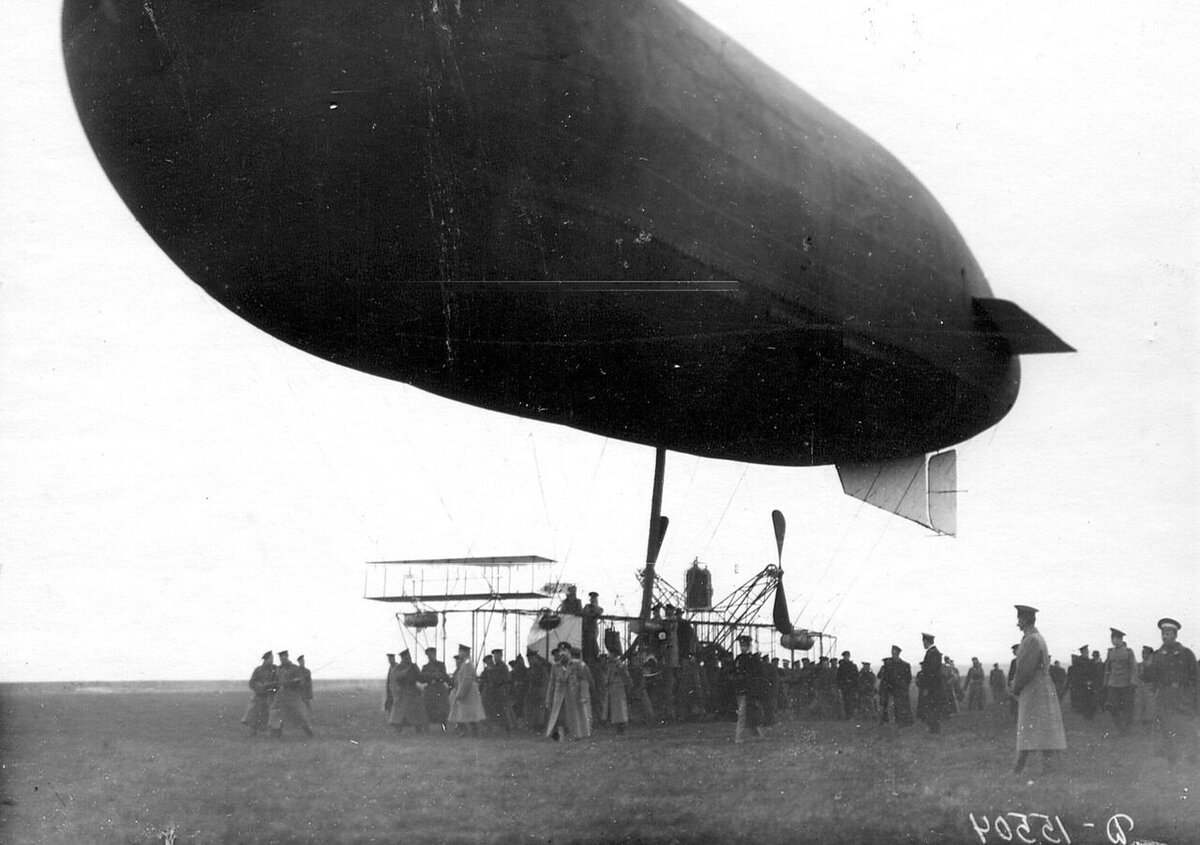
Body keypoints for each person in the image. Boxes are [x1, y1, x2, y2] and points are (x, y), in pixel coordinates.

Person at [1010, 605, 1066, 775]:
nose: (1017, 623)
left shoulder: (1031, 640)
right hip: (1041, 687)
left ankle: (1017, 769)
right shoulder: (1038, 637)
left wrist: (1015, 688)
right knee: (1043, 729)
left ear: (1024, 620)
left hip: (1034, 689)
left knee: (1028, 728)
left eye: (1019, 619)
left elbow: (1025, 670)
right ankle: (1046, 768)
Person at [1142, 617, 1198, 765]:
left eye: (1169, 633)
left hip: (1182, 695)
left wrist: (1196, 699)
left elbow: (1196, 678)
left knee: (1186, 725)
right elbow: (1149, 678)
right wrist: (1147, 666)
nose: (1165, 636)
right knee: (1166, 727)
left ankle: (1191, 755)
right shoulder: (1157, 655)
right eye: (1163, 633)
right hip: (1165, 697)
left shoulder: (1186, 654)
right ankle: (1171, 757)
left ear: (1175, 635)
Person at [268, 650, 313, 738]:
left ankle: (309, 732)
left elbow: (302, 682)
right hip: (280, 694)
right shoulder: (278, 669)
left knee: (299, 713)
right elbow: (274, 681)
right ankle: (276, 734)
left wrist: (295, 682)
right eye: (280, 658)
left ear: (287, 657)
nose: (282, 660)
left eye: (284, 658)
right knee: (276, 713)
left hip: (292, 695)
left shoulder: (295, 668)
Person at [545, 644, 586, 740]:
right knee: (559, 718)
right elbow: (551, 684)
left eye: (565, 651)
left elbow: (582, 681)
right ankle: (561, 737)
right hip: (558, 696)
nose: (562, 653)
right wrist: (548, 699)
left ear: (569, 653)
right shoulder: (555, 667)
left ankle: (575, 735)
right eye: (561, 651)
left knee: (572, 716)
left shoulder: (576, 665)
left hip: (572, 695)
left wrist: (583, 695)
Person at [1103, 628, 1137, 735]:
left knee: (1128, 708)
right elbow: (1108, 669)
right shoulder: (1110, 652)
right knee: (1113, 707)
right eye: (1112, 638)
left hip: (1126, 684)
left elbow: (1134, 668)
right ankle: (1120, 727)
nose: (1113, 640)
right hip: (1113, 684)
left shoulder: (1128, 652)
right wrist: (1106, 682)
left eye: (1116, 638)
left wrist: (1133, 681)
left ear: (1120, 639)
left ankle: (1127, 729)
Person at [732, 634, 765, 742]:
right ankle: (756, 733)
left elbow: (755, 675)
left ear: (749, 646)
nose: (743, 647)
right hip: (740, 690)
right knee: (745, 713)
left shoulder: (752, 659)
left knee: (747, 713)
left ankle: (739, 736)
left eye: (745, 645)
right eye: (741, 645)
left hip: (749, 690)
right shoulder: (738, 659)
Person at [448, 644, 486, 735]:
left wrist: (461, 693)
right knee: (467, 713)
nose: (460, 654)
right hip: (468, 691)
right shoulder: (466, 664)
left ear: (465, 653)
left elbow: (466, 680)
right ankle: (470, 731)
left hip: (468, 692)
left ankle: (474, 732)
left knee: (470, 713)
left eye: (461, 652)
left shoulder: (467, 664)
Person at [388, 649, 425, 734]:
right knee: (399, 714)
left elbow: (420, 678)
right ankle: (398, 729)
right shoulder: (398, 667)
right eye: (407, 657)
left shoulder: (414, 666)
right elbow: (397, 676)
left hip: (413, 691)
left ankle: (418, 729)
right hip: (403, 692)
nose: (409, 658)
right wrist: (407, 670)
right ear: (403, 658)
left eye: (410, 656)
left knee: (416, 712)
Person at [916, 633, 947, 734]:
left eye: (923, 642)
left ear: (926, 641)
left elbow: (931, 673)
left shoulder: (932, 653)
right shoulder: (933, 652)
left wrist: (926, 687)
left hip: (932, 687)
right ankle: (933, 728)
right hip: (934, 686)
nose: (923, 644)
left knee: (932, 707)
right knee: (932, 707)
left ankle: (934, 729)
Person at [241, 650, 276, 736]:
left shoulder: (275, 669)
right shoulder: (258, 670)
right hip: (259, 696)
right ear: (266, 660)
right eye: (271, 658)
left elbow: (278, 680)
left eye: (272, 658)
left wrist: (272, 686)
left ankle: (270, 732)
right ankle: (252, 731)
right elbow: (252, 682)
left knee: (270, 715)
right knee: (254, 713)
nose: (272, 660)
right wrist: (260, 686)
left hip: (271, 696)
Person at [600, 649, 633, 733]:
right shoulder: (610, 664)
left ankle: (621, 726)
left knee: (620, 709)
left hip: (618, 689)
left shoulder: (619, 665)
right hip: (612, 688)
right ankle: (614, 725)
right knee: (613, 709)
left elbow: (626, 677)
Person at [420, 647, 451, 731]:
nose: (431, 656)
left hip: (439, 689)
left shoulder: (440, 665)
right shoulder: (425, 667)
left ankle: (444, 727)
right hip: (430, 689)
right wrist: (430, 676)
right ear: (427, 655)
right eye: (429, 654)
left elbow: (445, 676)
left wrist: (440, 676)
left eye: (432, 654)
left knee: (442, 709)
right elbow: (422, 679)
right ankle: (426, 728)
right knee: (428, 708)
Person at [1067, 645, 1096, 719]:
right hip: (1081, 684)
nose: (1087, 653)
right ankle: (1086, 715)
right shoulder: (1078, 662)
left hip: (1090, 683)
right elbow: (1078, 673)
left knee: (1091, 700)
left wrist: (1091, 681)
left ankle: (1090, 715)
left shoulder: (1090, 661)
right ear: (1082, 653)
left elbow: (1093, 673)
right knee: (1083, 700)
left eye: (1088, 652)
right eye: (1086, 652)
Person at [581, 592, 603, 664]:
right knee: (586, 645)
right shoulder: (587, 606)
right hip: (586, 630)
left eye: (594, 598)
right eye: (591, 598)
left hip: (593, 630)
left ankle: (594, 657)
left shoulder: (598, 608)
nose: (592, 599)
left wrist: (594, 607)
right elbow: (584, 613)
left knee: (592, 643)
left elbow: (600, 611)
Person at [837, 651, 859, 718]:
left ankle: (851, 715)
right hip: (844, 686)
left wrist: (854, 685)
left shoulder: (853, 666)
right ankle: (847, 715)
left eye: (847, 656)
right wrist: (840, 686)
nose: (846, 657)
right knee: (846, 701)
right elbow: (839, 677)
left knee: (851, 701)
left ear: (849, 656)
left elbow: (856, 677)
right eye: (844, 656)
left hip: (851, 686)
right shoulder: (841, 667)